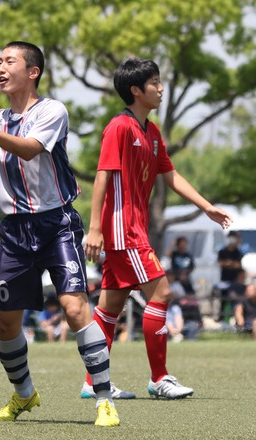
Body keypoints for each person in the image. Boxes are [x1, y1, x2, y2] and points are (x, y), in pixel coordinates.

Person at [0, 41, 119, 426]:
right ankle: (23, 395)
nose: (0, 67)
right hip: (15, 231)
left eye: (9, 61)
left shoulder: (52, 111)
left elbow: (30, 149)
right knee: (5, 323)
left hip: (57, 225)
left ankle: (104, 398)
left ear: (32, 71)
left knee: (74, 309)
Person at [83, 57, 233, 401]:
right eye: (155, 83)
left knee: (109, 308)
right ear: (136, 90)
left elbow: (172, 175)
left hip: (134, 230)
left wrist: (205, 206)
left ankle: (92, 382)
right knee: (162, 293)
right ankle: (159, 378)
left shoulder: (152, 132)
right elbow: (103, 175)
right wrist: (95, 229)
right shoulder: (118, 127)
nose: (161, 88)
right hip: (124, 231)